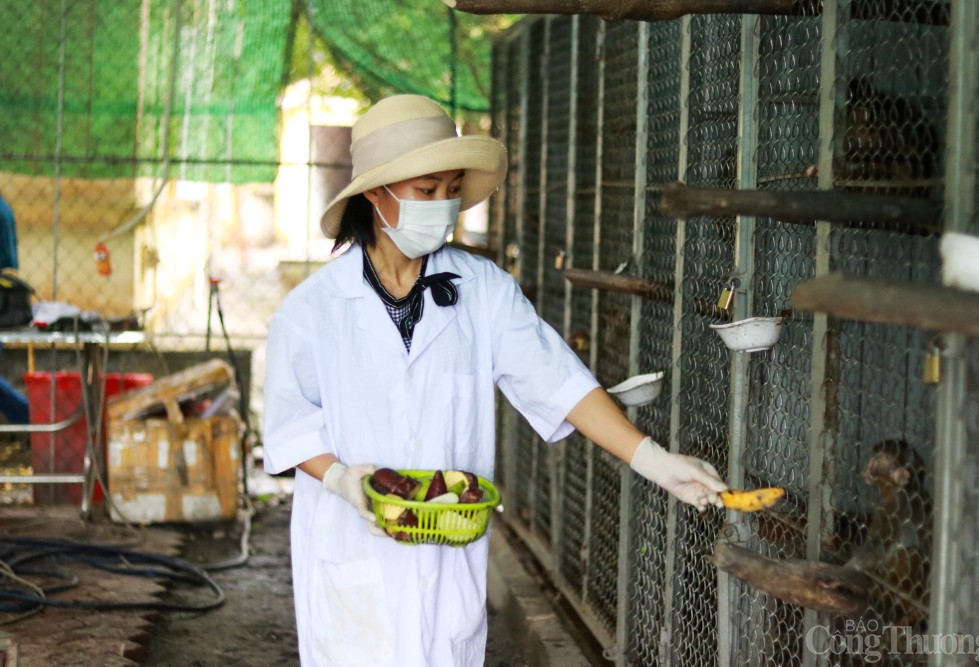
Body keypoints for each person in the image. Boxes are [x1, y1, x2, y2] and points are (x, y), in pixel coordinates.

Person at [262, 94, 728, 667]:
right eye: (427, 191)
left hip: (448, 571)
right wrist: (339, 480)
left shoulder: (481, 290)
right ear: (374, 194)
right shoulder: (312, 310)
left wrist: (653, 460)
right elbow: (289, 425)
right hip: (354, 572)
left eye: (452, 189)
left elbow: (558, 381)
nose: (445, 205)